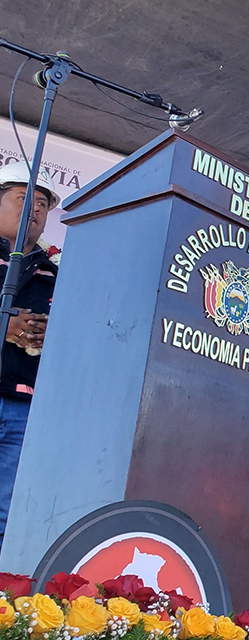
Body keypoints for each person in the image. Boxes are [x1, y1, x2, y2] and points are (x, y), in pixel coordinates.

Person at [0, 162, 59, 552]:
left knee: (7, 515)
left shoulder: (57, 274)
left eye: (42, 204)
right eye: (24, 199)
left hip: (24, 408)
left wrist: (51, 334)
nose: (34, 209)